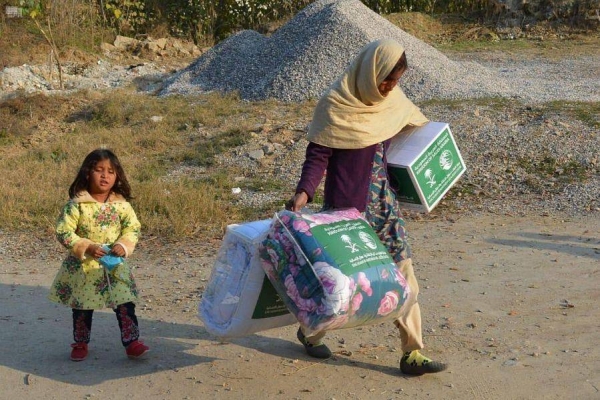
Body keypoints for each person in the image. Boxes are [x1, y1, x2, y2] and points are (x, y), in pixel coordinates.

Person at [286, 39, 447, 375]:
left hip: (385, 205)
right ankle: (311, 332)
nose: (389, 88)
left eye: (395, 81)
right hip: (348, 210)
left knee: (406, 277)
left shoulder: (392, 101)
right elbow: (318, 155)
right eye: (385, 80)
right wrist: (304, 193)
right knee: (345, 285)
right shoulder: (335, 105)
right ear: (370, 71)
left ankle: (412, 353)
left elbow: (413, 131)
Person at [48, 148, 149, 361]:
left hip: (115, 265)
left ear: (117, 176)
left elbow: (133, 227)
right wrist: (87, 246)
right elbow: (63, 231)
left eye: (111, 171)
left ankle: (132, 342)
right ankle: (81, 343)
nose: (105, 176)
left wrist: (124, 244)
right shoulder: (77, 205)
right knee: (83, 307)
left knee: (125, 302)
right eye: (99, 170)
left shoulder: (122, 205)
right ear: (87, 173)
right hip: (85, 266)